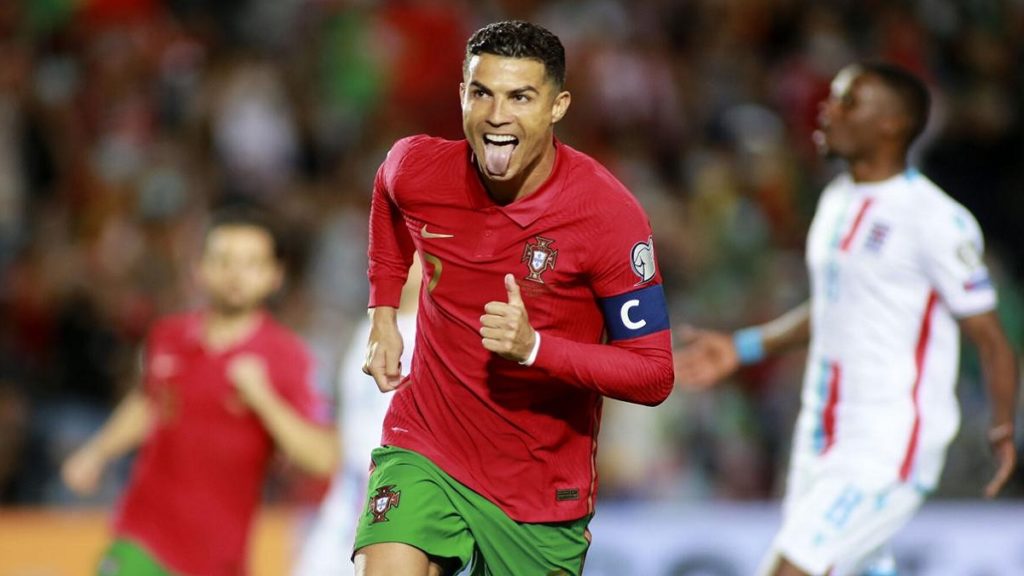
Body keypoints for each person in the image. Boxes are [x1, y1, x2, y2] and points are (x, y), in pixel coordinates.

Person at [675, 62, 1019, 576]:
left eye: (847, 101)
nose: (827, 110)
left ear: (892, 125)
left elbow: (990, 336)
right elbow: (837, 306)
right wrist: (743, 347)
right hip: (822, 433)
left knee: (791, 569)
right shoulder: (836, 200)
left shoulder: (935, 219)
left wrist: (1002, 428)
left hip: (886, 441)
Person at [358, 20, 674, 576]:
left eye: (520, 97)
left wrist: (535, 349)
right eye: (482, 93)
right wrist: (383, 312)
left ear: (557, 106)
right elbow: (387, 190)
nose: (497, 115)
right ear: (462, 94)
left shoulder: (607, 215)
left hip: (539, 492)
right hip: (426, 445)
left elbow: (653, 374)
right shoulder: (418, 168)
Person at [61, 206, 339, 576]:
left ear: (275, 276)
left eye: (251, 263)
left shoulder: (288, 358)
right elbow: (149, 402)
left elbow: (323, 458)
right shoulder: (169, 336)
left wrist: (264, 400)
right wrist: (97, 451)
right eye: (223, 261)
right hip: (142, 537)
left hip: (217, 558)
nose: (235, 275)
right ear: (199, 270)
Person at [293, 260, 421, 576]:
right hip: (349, 500)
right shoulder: (365, 331)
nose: (405, 260)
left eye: (416, 250)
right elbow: (347, 424)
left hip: (403, 506)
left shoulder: (442, 337)